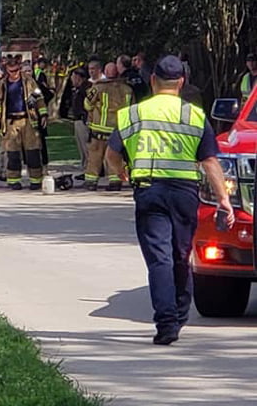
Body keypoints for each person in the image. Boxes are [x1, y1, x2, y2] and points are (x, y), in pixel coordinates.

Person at [106, 55, 234, 345]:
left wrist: (123, 173)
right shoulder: (195, 115)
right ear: (182, 82)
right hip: (184, 193)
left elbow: (111, 155)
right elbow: (210, 162)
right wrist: (223, 199)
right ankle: (178, 313)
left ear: (153, 81)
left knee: (159, 259)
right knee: (180, 254)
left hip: (149, 191)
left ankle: (167, 323)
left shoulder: (133, 114)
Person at [0, 56, 48, 190]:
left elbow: (39, 95)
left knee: (33, 152)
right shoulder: (1, 85)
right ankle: (13, 181)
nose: (13, 74)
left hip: (28, 121)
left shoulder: (29, 82)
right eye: (10, 71)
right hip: (11, 122)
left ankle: (36, 181)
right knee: (12, 153)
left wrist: (43, 114)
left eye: (16, 71)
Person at [84, 62, 132, 191]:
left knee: (95, 156)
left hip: (100, 129)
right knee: (116, 156)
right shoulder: (127, 89)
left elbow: (87, 104)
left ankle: (91, 182)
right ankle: (115, 182)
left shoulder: (98, 88)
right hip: (119, 129)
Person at [65, 67, 91, 181]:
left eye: (73, 77)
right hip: (77, 120)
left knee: (86, 146)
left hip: (83, 120)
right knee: (82, 147)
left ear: (78, 77)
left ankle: (89, 169)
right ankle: (85, 168)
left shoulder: (86, 89)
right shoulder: (77, 89)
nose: (71, 79)